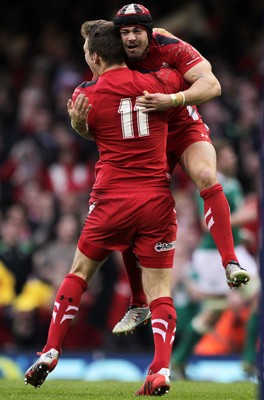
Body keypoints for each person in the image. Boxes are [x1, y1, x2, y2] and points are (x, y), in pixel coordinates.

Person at [24, 20, 187, 396]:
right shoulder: (158, 82)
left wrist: (76, 125)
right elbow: (184, 76)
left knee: (79, 273)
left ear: (95, 57)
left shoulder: (87, 95)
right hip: (155, 200)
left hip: (111, 200)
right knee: (160, 290)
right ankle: (160, 369)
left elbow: (89, 126)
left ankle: (51, 349)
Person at [111, 3, 251, 335]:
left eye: (137, 31)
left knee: (206, 176)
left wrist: (173, 100)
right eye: (125, 32)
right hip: (146, 139)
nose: (130, 38)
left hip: (182, 125)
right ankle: (138, 302)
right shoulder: (111, 53)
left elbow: (212, 85)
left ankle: (230, 262)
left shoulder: (169, 44)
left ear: (148, 31)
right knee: (133, 212)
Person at [170, 139, 260, 379]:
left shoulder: (233, 184)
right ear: (218, 158)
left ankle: (177, 361)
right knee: (255, 297)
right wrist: (248, 216)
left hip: (233, 252)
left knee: (213, 312)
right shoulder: (209, 182)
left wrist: (243, 235)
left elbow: (230, 225)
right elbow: (208, 224)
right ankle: (250, 360)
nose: (234, 159)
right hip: (213, 256)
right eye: (229, 155)